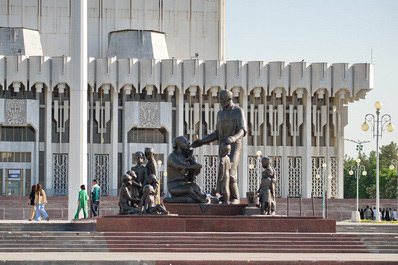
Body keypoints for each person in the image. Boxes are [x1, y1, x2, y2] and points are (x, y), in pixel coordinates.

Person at [191, 90, 247, 204]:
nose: (220, 102)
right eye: (220, 99)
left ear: (229, 99)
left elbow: (243, 130)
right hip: (222, 145)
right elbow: (217, 133)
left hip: (234, 145)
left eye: (222, 99)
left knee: (230, 171)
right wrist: (202, 141)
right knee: (222, 172)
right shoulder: (220, 114)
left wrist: (233, 138)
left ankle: (235, 197)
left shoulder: (238, 111)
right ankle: (224, 196)